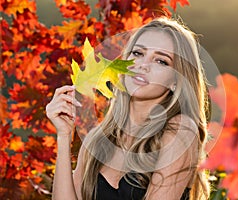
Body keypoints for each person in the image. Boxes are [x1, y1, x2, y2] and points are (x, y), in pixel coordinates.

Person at [46, 17, 210, 200]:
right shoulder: (98, 139)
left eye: (161, 61)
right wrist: (64, 136)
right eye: (138, 53)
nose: (143, 66)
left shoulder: (180, 131)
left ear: (175, 80)